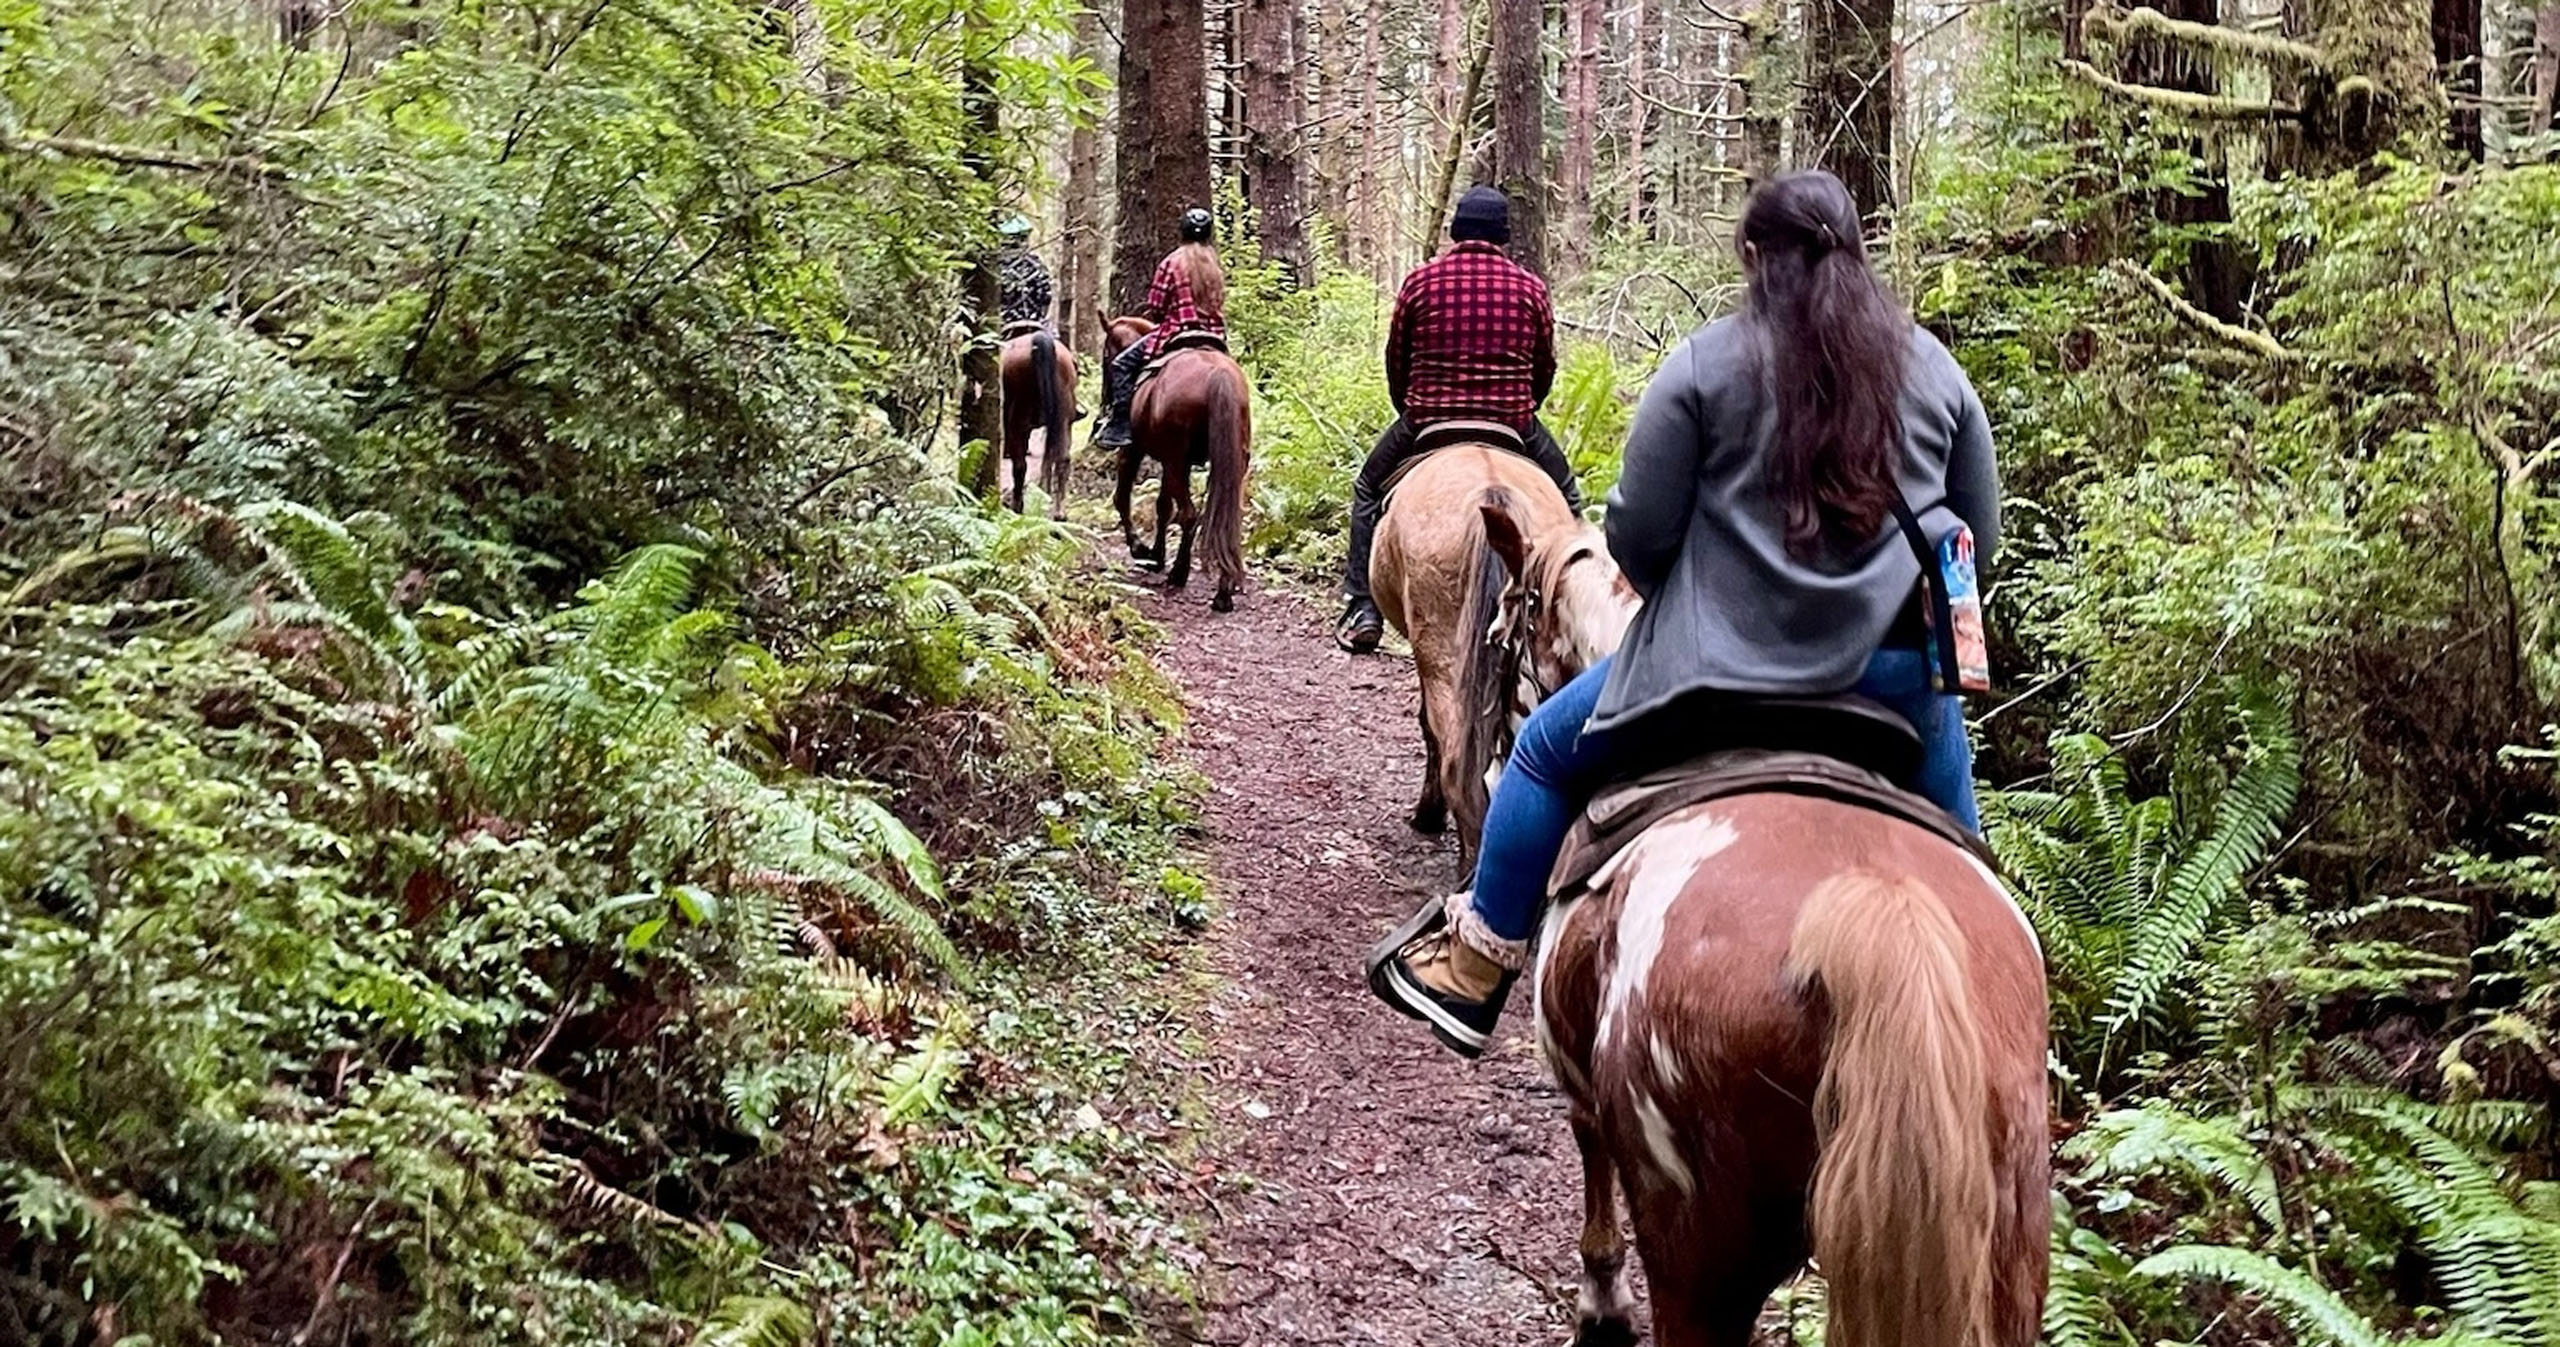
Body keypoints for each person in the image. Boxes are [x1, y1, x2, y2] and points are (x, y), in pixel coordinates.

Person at [1364, 170, 2001, 1060]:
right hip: (1892, 687)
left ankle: (1472, 969)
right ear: (1857, 253)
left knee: (1541, 753)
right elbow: (1977, 538)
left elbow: (1638, 538)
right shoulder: (1937, 372)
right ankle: (2002, 1019)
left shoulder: (1705, 364)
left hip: (1712, 677)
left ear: (1754, 257)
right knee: (1973, 872)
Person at [1337, 186, 1582, 654]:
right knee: (1567, 493)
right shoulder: (1530, 288)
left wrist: (1412, 409)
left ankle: (1363, 606)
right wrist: (1520, 405)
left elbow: (1397, 361)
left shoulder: (1420, 282)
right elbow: (1543, 369)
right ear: (1504, 236)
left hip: (1428, 419)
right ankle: (1568, 606)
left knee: (1368, 488)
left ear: (1455, 231)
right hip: (1512, 422)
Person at [1094, 207, 1227, 449]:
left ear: (1182, 232)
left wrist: (1166, 315)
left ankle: (1121, 425)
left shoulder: (1172, 262)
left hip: (1176, 332)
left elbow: (1156, 305)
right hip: (1214, 336)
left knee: (1122, 365)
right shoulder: (1214, 266)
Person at [996, 215, 1054, 331]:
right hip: (1036, 322)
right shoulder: (1038, 265)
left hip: (1002, 324)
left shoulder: (997, 266)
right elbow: (1046, 298)